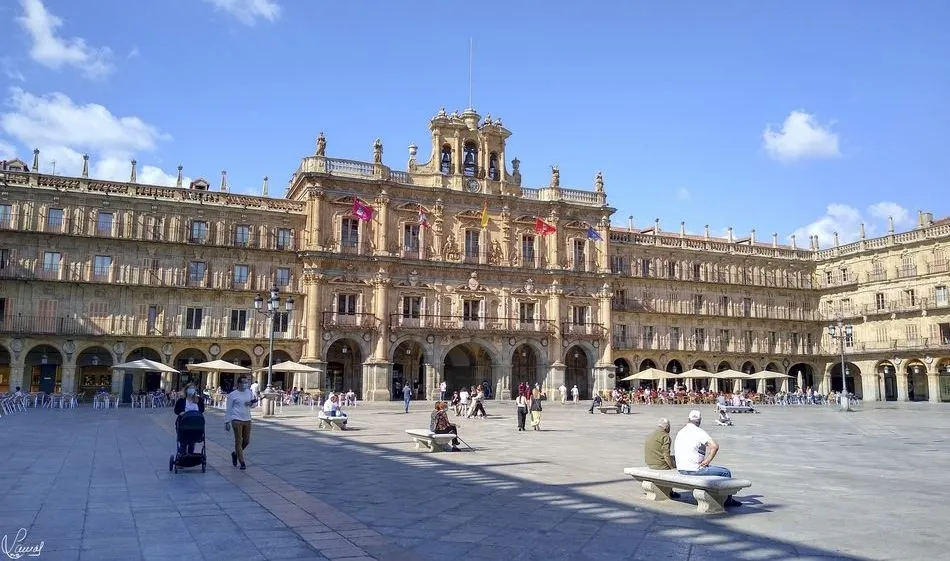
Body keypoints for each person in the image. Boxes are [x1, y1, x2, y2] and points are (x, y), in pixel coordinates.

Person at [673, 410, 740, 507]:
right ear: (700, 420)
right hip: (694, 469)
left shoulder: (681, 432)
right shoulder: (699, 432)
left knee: (712, 469)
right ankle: (727, 501)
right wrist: (707, 460)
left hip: (681, 468)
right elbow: (715, 446)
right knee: (726, 472)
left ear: (688, 419)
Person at [225, 375, 258, 470]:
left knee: (246, 441)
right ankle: (242, 462)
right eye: (243, 382)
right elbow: (229, 409)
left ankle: (235, 454)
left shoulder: (249, 393)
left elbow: (254, 404)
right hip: (236, 419)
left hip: (247, 419)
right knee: (238, 440)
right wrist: (227, 421)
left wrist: (251, 404)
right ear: (239, 384)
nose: (245, 384)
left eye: (246, 382)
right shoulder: (233, 395)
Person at [644, 418, 680, 498]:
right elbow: (666, 455)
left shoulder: (651, 434)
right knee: (677, 461)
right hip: (659, 465)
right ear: (666, 427)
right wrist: (671, 467)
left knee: (673, 458)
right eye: (669, 426)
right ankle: (670, 491)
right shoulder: (665, 436)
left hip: (650, 462)